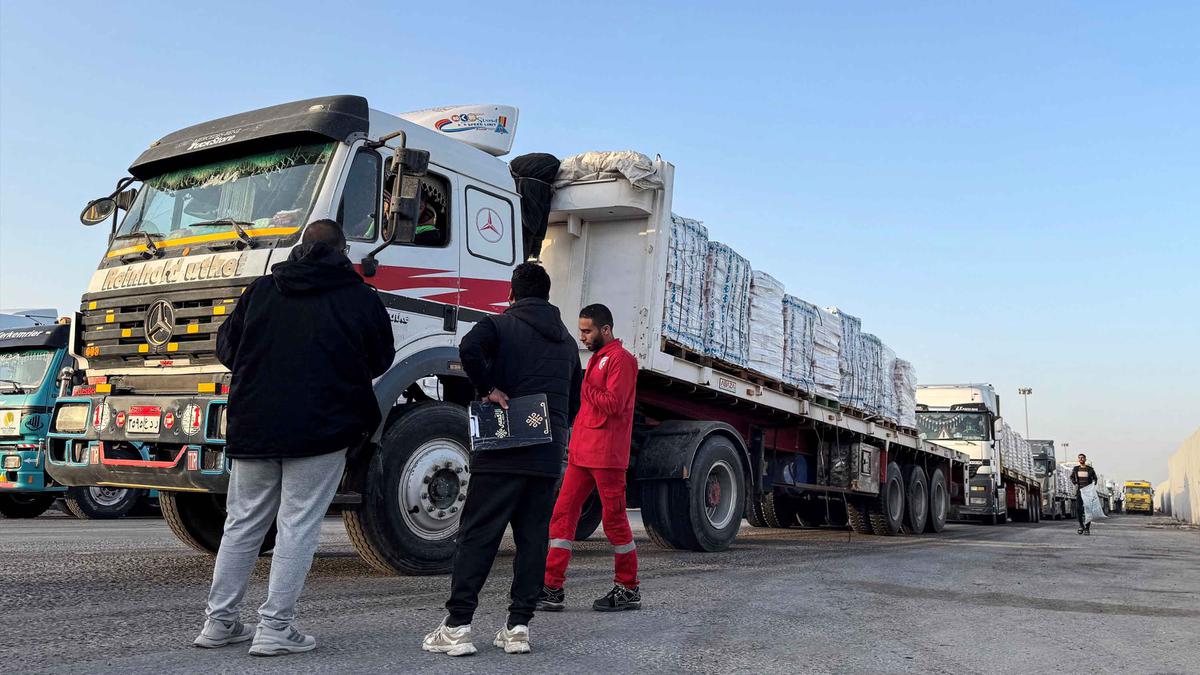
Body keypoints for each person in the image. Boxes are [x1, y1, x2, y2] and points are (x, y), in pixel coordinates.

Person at [193, 220, 394, 656]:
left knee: (242, 523)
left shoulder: (262, 290)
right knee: (297, 525)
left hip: (255, 422)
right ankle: (274, 628)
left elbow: (226, 348)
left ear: (301, 247)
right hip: (323, 426)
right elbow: (381, 358)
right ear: (343, 251)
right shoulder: (360, 297)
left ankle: (219, 622)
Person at [423, 263, 582, 657]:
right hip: (546, 455)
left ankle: (458, 626)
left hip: (502, 447)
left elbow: (468, 349)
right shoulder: (565, 343)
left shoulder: (498, 325)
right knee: (532, 540)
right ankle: (518, 628)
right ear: (547, 297)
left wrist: (489, 388)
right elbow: (575, 399)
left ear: (512, 293)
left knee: (479, 535)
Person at [538, 303, 641, 613]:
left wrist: (586, 388)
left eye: (587, 330)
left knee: (614, 521)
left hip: (607, 455)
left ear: (605, 330)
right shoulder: (600, 358)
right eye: (581, 330)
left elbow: (613, 403)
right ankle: (551, 587)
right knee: (562, 514)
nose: (581, 336)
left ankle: (628, 588)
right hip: (584, 453)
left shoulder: (622, 360)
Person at [1070, 453, 1098, 535]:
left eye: (1082, 458)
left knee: (1088, 510)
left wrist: (1093, 484)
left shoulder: (1090, 469)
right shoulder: (1076, 469)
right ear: (1078, 460)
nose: (1081, 459)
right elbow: (1071, 477)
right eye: (1079, 458)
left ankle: (1087, 528)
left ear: (1085, 459)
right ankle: (1081, 526)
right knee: (1079, 509)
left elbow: (1095, 479)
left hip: (1088, 492)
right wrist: (1075, 483)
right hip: (1079, 492)